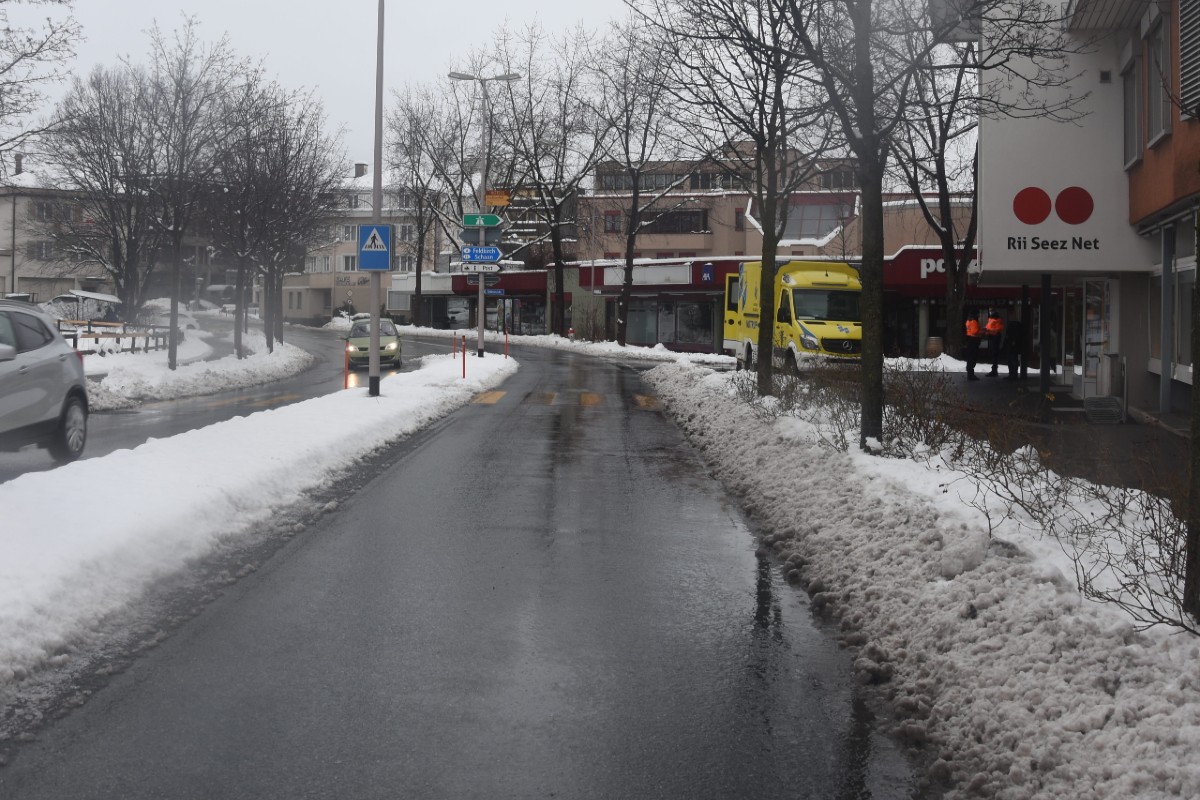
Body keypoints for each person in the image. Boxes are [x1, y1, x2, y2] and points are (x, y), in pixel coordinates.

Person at [984, 309, 1005, 376]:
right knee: (992, 353)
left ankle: (994, 370)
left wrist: (989, 330)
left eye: (991, 311)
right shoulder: (990, 319)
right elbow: (988, 327)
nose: (990, 312)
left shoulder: (997, 320)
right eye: (990, 311)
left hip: (995, 337)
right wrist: (986, 330)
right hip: (991, 337)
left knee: (994, 353)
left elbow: (999, 329)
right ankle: (994, 370)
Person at [964, 310, 984, 380]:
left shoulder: (968, 320)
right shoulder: (974, 321)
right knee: (972, 357)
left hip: (970, 340)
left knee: (970, 357)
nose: (979, 315)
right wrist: (982, 331)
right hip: (974, 341)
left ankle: (970, 373)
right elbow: (974, 331)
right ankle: (971, 375)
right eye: (978, 314)